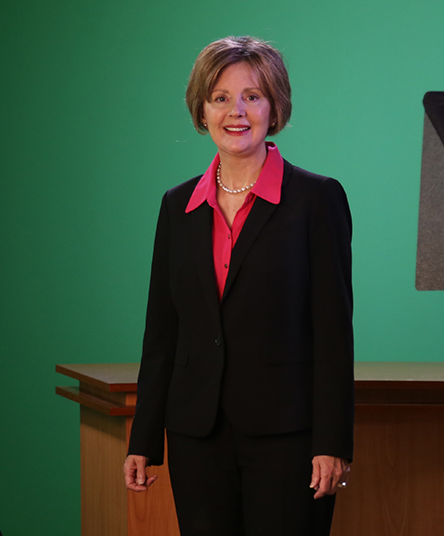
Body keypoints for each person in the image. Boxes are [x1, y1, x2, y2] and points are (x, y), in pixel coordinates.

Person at [122, 36, 354, 536]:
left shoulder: (317, 199)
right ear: (201, 110)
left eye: (252, 95)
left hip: (288, 435)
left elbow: (333, 332)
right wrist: (143, 438)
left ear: (275, 107)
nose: (236, 111)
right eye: (220, 97)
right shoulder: (176, 206)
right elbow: (162, 331)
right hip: (195, 433)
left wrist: (331, 442)